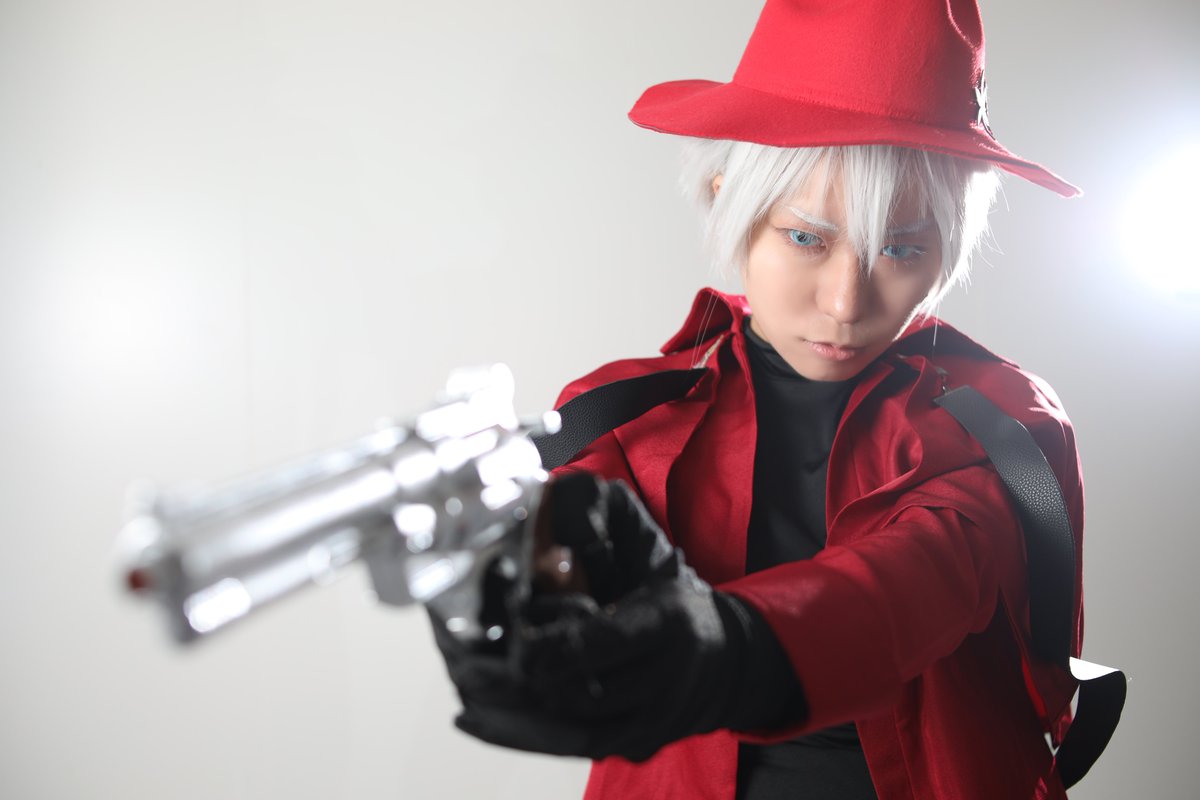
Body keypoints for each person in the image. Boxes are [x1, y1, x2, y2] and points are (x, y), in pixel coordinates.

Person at [432, 1, 1086, 798]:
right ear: (726, 199)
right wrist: (513, 582)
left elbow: (915, 586)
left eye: (902, 248)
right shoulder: (616, 414)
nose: (846, 302)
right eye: (807, 237)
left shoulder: (1004, 425)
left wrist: (727, 647)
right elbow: (556, 539)